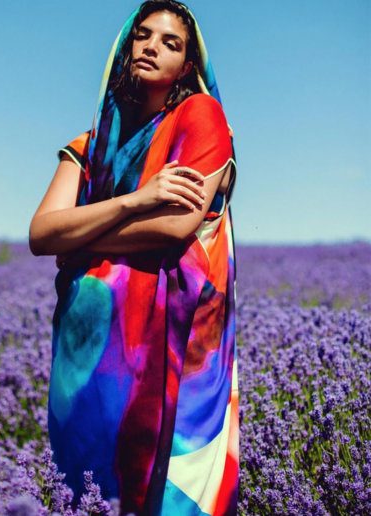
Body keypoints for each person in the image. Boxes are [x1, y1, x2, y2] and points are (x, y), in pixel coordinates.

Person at [29, 1, 239, 514]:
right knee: (90, 490)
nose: (151, 47)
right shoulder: (89, 144)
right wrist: (134, 201)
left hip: (175, 347)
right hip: (88, 353)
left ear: (187, 66)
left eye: (170, 43)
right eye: (142, 35)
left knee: (172, 486)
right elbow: (41, 232)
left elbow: (176, 225)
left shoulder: (200, 116)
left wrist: (79, 240)